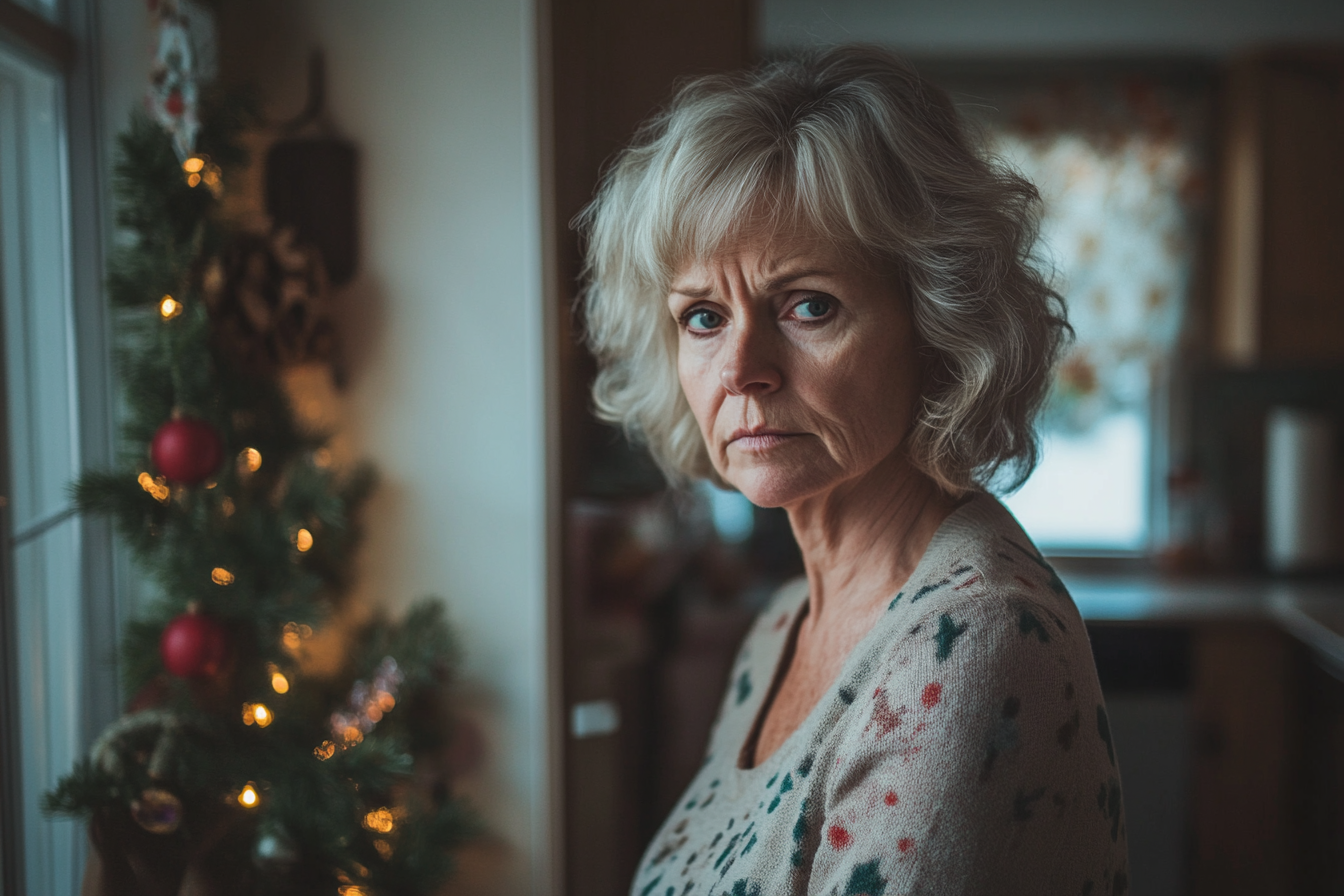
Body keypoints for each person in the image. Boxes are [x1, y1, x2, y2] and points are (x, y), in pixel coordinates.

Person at [579, 45, 1128, 896]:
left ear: (936, 327)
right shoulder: (781, 625)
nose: (741, 369)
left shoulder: (973, 643)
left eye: (808, 306)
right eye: (702, 316)